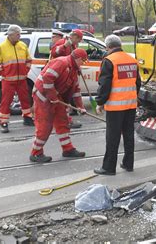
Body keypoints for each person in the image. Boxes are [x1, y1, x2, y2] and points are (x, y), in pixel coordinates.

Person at [29, 48, 88, 163]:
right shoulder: (62, 63)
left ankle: (68, 149)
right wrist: (53, 98)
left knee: (63, 121)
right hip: (43, 95)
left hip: (55, 96)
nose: (83, 64)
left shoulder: (73, 70)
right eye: (83, 61)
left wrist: (80, 107)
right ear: (78, 59)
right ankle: (36, 153)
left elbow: (76, 90)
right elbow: (47, 78)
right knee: (45, 125)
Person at [94, 34, 141, 175]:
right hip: (131, 105)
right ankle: (128, 164)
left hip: (115, 107)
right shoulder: (132, 60)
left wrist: (100, 102)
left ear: (108, 47)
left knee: (113, 137)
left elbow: (104, 85)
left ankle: (108, 167)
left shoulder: (109, 60)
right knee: (128, 135)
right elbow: (137, 83)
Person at [0, 24, 34, 133]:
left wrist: (25, 71)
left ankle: (28, 118)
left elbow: (28, 60)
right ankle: (3, 122)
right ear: (11, 35)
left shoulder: (23, 45)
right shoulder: (1, 48)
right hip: (8, 81)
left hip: (22, 80)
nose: (19, 36)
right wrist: (4, 74)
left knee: (25, 99)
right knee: (6, 102)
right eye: (17, 34)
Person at [50, 28, 84, 128]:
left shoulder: (74, 46)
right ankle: (62, 121)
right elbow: (54, 53)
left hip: (70, 73)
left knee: (66, 98)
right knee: (61, 98)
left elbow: (74, 59)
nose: (79, 42)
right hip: (61, 75)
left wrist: (77, 68)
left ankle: (65, 119)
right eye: (79, 39)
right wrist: (65, 45)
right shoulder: (62, 42)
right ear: (74, 37)